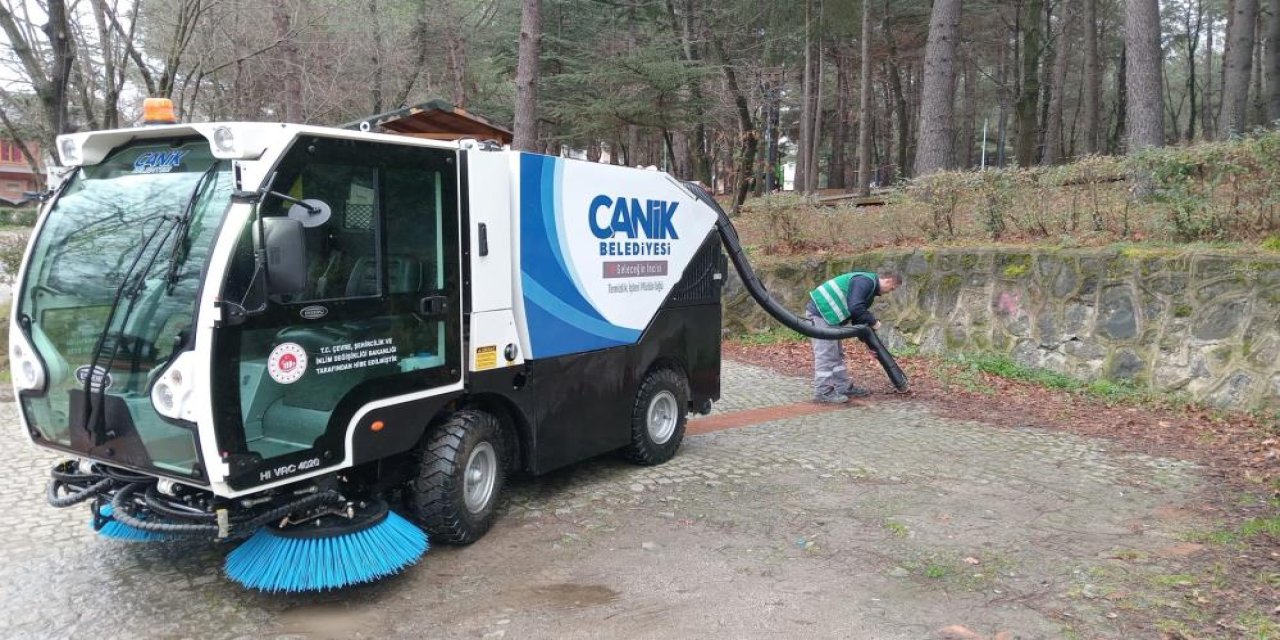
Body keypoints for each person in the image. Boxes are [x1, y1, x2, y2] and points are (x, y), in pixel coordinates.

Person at [805, 270, 902, 404]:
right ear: (888, 280)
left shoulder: (869, 291)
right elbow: (855, 307)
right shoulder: (865, 282)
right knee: (826, 354)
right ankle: (823, 392)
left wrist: (869, 344)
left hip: (830, 317)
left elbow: (858, 322)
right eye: (892, 288)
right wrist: (874, 321)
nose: (890, 291)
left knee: (836, 354)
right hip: (821, 313)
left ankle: (843, 387)